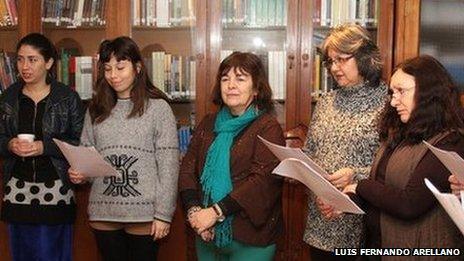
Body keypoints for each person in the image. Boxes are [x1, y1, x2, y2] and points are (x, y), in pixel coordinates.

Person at [68, 37, 179, 261]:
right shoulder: (95, 109)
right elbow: (87, 157)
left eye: (120, 67)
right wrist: (80, 174)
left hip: (145, 214)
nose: (113, 75)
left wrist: (164, 215)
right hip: (103, 211)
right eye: (107, 69)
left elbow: (168, 165)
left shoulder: (158, 108)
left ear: (137, 68)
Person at [340, 55, 464, 251]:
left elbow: (409, 204)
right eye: (392, 92)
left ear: (428, 93)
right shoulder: (400, 133)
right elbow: (383, 188)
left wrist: (360, 186)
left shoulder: (449, 142)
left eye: (401, 91)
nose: (393, 101)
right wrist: (345, 201)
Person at [178, 51, 285, 260]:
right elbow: (187, 169)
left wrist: (215, 212)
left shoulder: (267, 127)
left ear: (256, 88)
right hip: (206, 233)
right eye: (225, 79)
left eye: (240, 78)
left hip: (251, 237)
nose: (231, 85)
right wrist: (195, 213)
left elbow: (262, 182)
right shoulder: (208, 123)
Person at [302, 24, 387, 259]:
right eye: (331, 61)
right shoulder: (325, 102)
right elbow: (310, 151)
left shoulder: (388, 102)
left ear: (364, 57)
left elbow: (395, 169)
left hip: (362, 225)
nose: (335, 68)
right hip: (320, 220)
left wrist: (356, 174)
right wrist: (297, 168)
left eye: (342, 59)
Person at [0, 33, 85, 261]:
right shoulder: (8, 98)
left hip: (56, 190)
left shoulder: (67, 98)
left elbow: (81, 143)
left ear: (48, 63)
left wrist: (44, 147)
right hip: (17, 190)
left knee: (53, 254)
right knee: (21, 254)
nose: (24, 66)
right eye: (19, 60)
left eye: (32, 59)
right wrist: (9, 143)